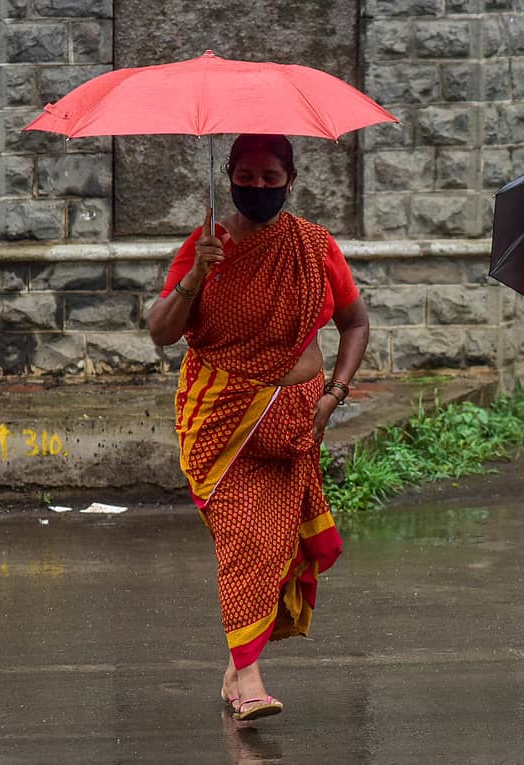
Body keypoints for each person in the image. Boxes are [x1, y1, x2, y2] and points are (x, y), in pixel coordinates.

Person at [147, 134, 369, 722]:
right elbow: (161, 331)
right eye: (247, 177)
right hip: (225, 420)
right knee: (247, 540)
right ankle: (249, 679)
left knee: (274, 547)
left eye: (272, 178)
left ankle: (235, 669)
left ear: (290, 180)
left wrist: (335, 394)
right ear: (229, 176)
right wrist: (197, 274)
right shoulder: (205, 246)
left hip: (298, 422)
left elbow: (354, 323)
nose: (259, 188)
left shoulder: (313, 246)